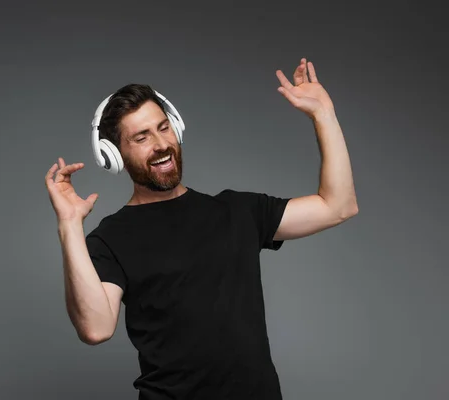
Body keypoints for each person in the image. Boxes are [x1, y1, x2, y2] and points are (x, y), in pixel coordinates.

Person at [45, 58, 358, 399]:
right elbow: (95, 328)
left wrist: (323, 114)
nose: (161, 144)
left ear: (176, 128)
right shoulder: (111, 238)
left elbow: (338, 206)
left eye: (164, 128)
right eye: (141, 137)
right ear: (113, 155)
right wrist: (69, 224)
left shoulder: (238, 210)